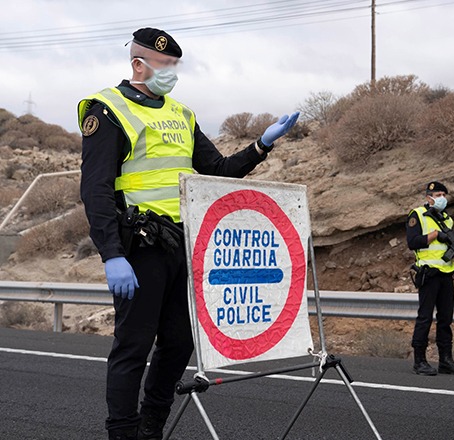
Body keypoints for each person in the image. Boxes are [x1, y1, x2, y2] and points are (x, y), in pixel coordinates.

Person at [78, 28, 299, 440]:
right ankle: (122, 433)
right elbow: (95, 189)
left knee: (180, 343)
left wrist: (261, 146)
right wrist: (111, 254)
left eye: (175, 65)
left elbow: (216, 170)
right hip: (139, 248)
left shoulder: (182, 114)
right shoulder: (107, 109)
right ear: (139, 64)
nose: (171, 73)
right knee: (133, 347)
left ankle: (151, 426)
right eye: (164, 65)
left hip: (182, 244)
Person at [405, 181, 454, 376]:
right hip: (428, 273)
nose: (441, 198)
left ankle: (446, 360)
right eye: (437, 194)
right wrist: (434, 235)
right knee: (425, 317)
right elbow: (412, 243)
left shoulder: (447, 219)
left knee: (445, 318)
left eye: (443, 194)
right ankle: (419, 361)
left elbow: (446, 246)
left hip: (446, 273)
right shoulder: (417, 215)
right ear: (428, 197)